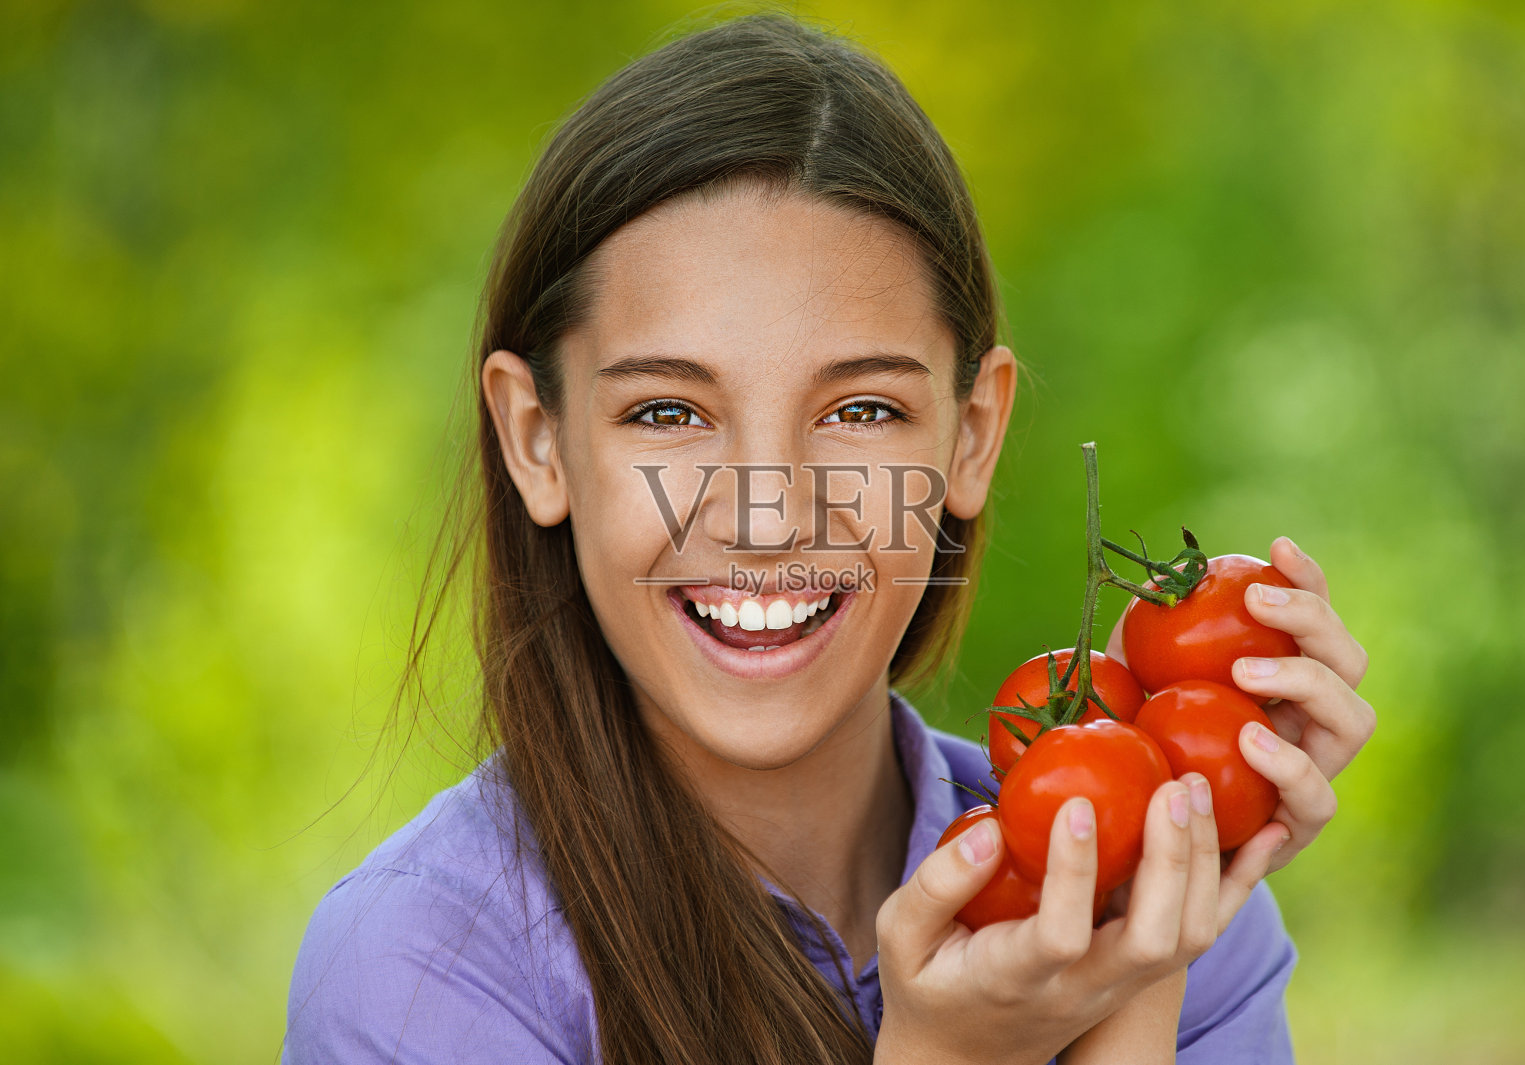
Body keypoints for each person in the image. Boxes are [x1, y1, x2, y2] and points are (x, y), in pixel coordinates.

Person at [283, 12, 1374, 1064]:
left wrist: (1138, 967)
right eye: (667, 413)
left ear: (972, 435)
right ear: (538, 442)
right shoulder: (424, 974)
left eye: (859, 412)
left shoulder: (1165, 905)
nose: (768, 518)